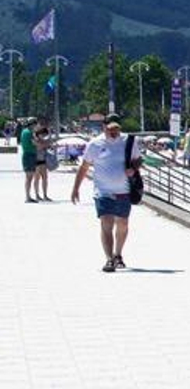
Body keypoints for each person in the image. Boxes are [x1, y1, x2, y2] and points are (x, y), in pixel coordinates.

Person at [71, 114, 141, 272]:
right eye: (110, 129)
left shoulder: (129, 141)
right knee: (106, 224)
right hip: (103, 191)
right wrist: (76, 188)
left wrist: (134, 168)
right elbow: (84, 166)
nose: (113, 132)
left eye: (116, 128)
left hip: (124, 190)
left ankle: (118, 254)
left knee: (123, 224)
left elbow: (138, 159)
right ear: (104, 127)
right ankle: (109, 259)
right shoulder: (95, 144)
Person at [19, 117, 41, 202]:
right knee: (29, 177)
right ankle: (28, 197)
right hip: (30, 155)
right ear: (32, 124)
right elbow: (35, 143)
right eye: (35, 124)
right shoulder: (29, 132)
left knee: (29, 177)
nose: (36, 126)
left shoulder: (24, 131)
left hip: (27, 154)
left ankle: (28, 196)